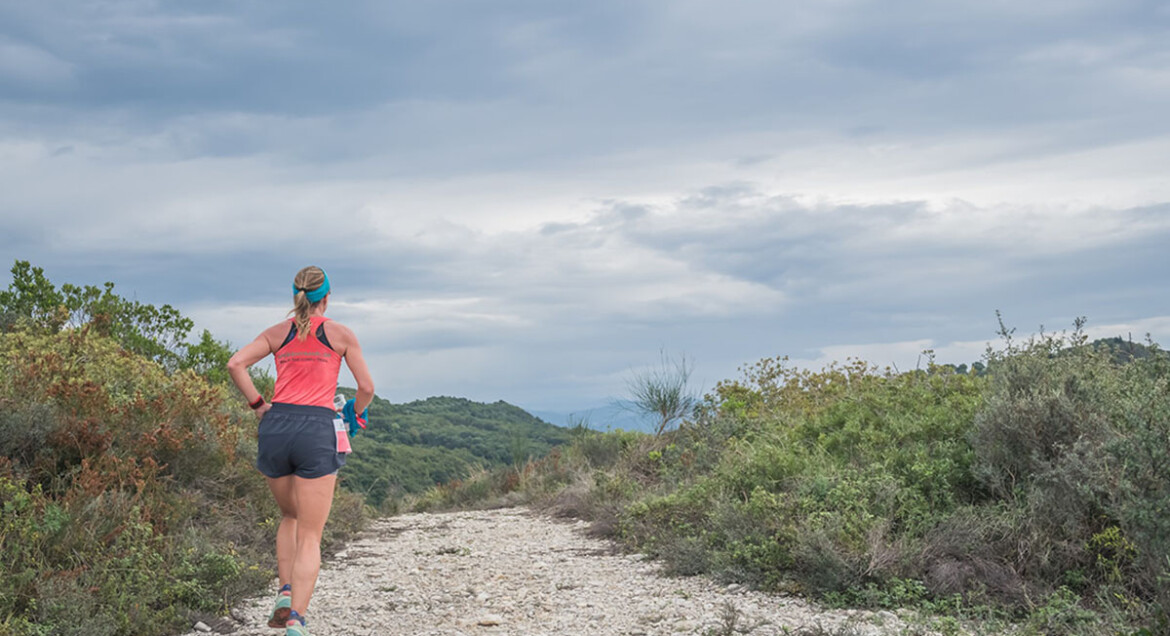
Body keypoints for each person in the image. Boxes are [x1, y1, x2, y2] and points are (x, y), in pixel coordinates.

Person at [227, 266, 374, 636]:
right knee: (310, 534)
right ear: (327, 296)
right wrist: (355, 416)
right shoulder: (340, 334)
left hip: (277, 426)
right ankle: (297, 619)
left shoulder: (277, 333)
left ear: (295, 295)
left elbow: (236, 363)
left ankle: (284, 591)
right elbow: (367, 387)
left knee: (289, 515)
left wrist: (260, 405)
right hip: (317, 428)